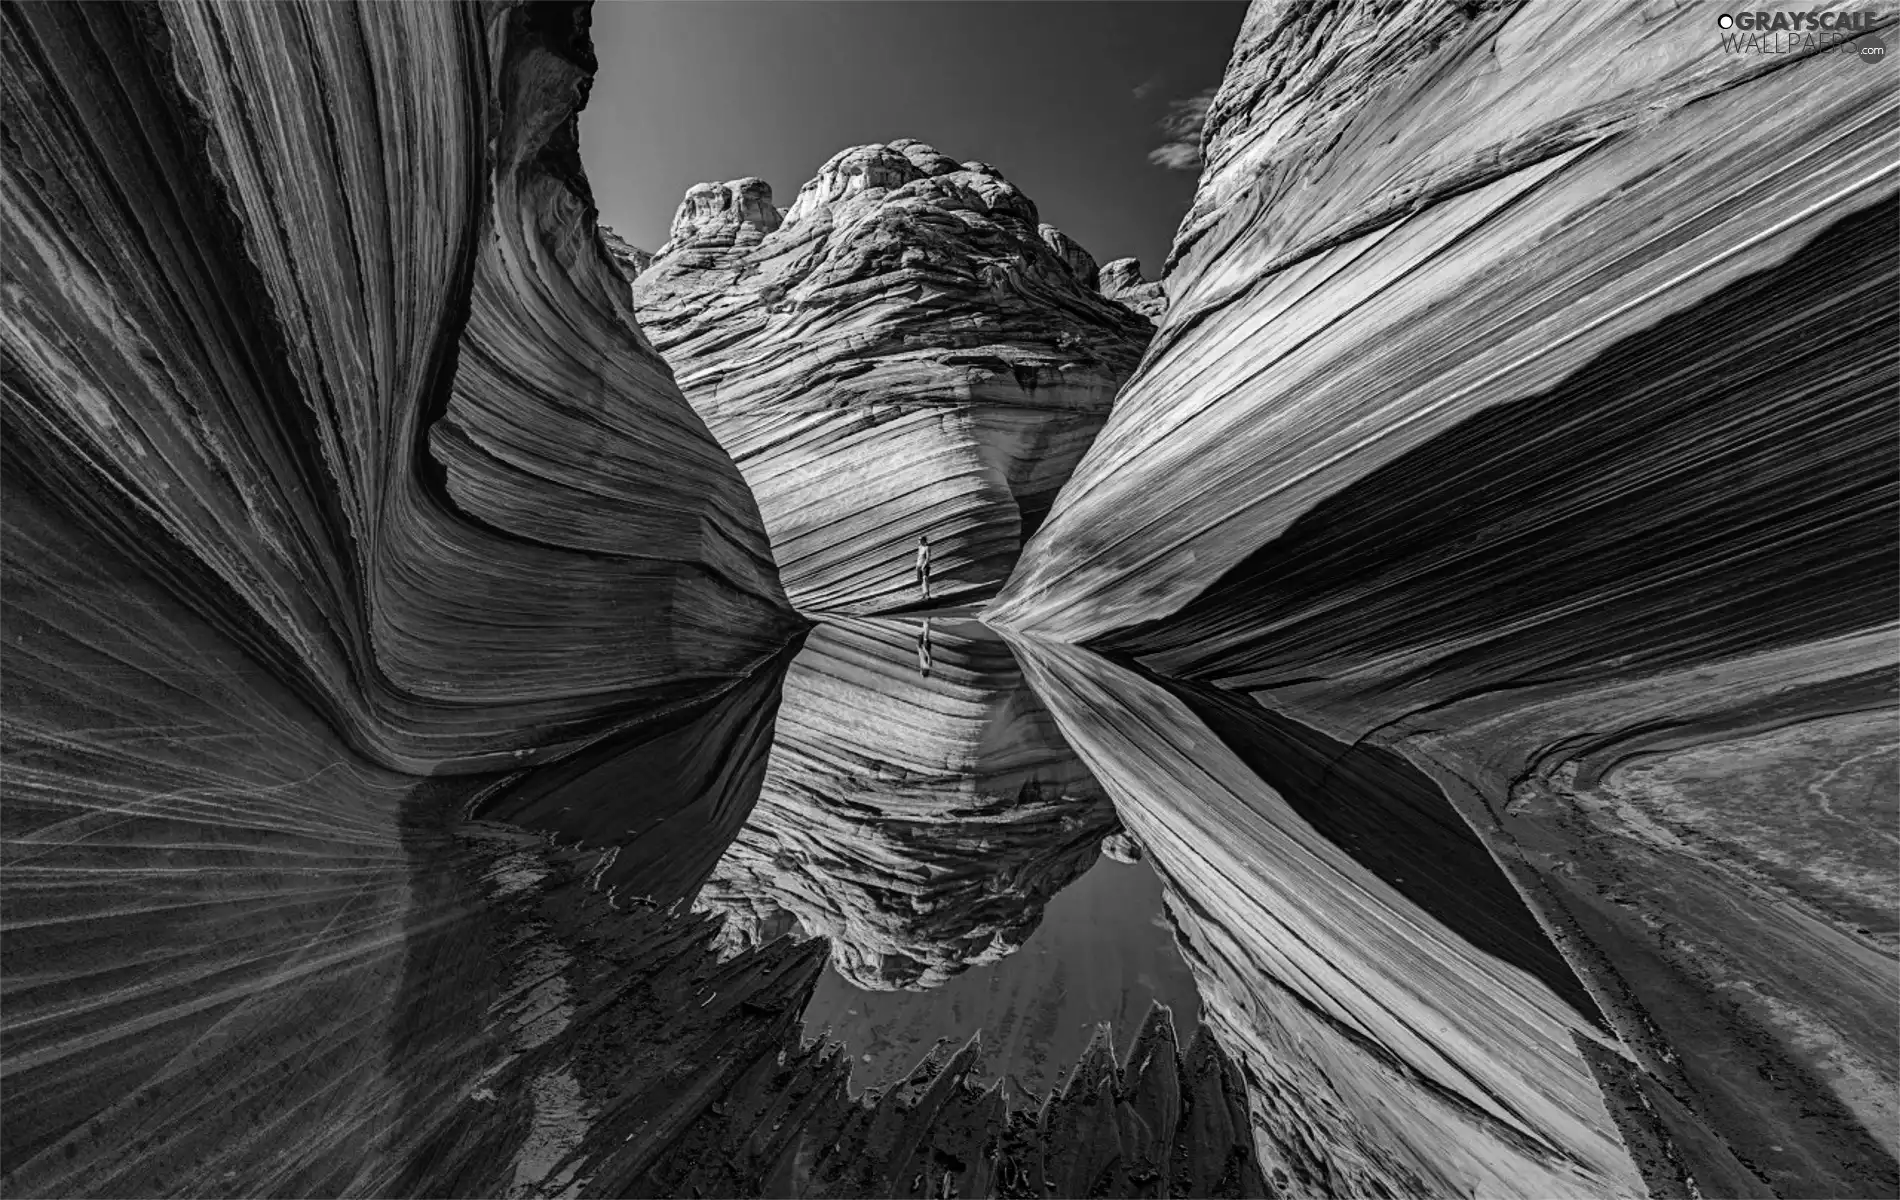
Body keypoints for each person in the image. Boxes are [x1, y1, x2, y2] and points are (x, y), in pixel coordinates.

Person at [914, 533, 932, 602]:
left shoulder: (927, 547)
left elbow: (928, 558)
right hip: (919, 565)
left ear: (924, 540)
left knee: (925, 578)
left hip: (925, 566)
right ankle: (924, 594)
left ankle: (927, 594)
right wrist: (917, 565)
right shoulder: (920, 547)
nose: (919, 541)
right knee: (921, 580)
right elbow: (919, 557)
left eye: (920, 540)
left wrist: (924, 565)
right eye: (918, 540)